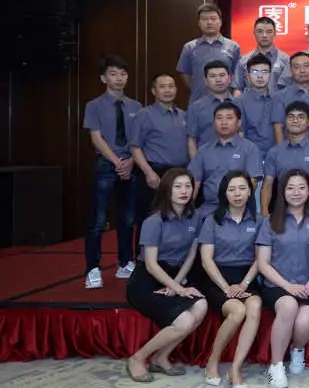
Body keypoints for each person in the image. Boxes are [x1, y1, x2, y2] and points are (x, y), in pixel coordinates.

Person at [123, 168, 207, 382]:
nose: (184, 191)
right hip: (146, 281)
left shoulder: (195, 218)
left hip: (174, 276)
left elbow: (191, 255)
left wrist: (176, 284)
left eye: (188, 186)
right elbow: (151, 265)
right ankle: (137, 358)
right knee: (185, 321)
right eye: (177, 186)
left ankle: (161, 357)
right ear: (167, 190)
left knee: (201, 305)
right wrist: (178, 288)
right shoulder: (154, 221)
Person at [195, 171, 262, 388]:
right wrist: (226, 288)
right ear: (224, 193)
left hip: (246, 277)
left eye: (242, 188)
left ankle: (236, 367)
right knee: (237, 310)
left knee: (254, 305)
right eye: (232, 189)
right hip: (217, 277)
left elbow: (261, 259)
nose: (237, 194)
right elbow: (206, 259)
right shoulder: (212, 220)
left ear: (250, 192)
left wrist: (243, 285)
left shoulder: (259, 220)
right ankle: (213, 360)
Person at [256, 169, 309, 388]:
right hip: (277, 285)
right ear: (282, 192)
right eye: (290, 188)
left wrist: (308, 285)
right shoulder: (270, 222)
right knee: (288, 305)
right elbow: (263, 263)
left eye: (302, 187)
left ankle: (298, 349)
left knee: (305, 321)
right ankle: (275, 365)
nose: (296, 192)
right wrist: (288, 286)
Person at [84, 55, 142, 289]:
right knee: (98, 219)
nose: (119, 78)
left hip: (131, 164)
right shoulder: (94, 105)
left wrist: (130, 161)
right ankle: (92, 268)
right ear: (103, 78)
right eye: (113, 74)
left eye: (123, 74)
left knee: (128, 218)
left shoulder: (136, 107)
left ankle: (125, 262)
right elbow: (96, 138)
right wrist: (117, 161)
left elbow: (139, 138)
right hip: (106, 164)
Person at [131, 73, 188, 237]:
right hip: (155, 174)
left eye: (171, 86)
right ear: (153, 91)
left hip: (179, 174)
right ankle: (144, 254)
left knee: (177, 219)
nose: (167, 90)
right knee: (149, 220)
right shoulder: (144, 114)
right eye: (162, 87)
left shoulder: (184, 115)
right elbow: (135, 147)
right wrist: (148, 172)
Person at [187, 102, 263, 218]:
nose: (224, 122)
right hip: (208, 209)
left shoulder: (250, 149)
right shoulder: (204, 150)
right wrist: (187, 209)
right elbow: (194, 183)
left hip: (238, 209)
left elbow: (253, 183)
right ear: (213, 123)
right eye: (219, 118)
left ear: (239, 123)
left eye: (229, 118)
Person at [260, 101, 309, 216]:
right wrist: (264, 214)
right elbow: (267, 185)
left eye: (300, 117)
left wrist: (307, 213)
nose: (295, 120)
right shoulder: (274, 152)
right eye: (291, 117)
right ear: (285, 121)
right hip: (280, 211)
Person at [176, 3, 240, 104]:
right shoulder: (189, 47)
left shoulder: (233, 47)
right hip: (198, 101)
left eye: (213, 19)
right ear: (199, 23)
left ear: (220, 22)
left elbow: (238, 75)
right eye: (204, 19)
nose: (209, 22)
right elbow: (185, 73)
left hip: (225, 104)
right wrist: (198, 87)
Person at [186, 60, 237, 156]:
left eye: (222, 75)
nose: (218, 80)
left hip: (235, 160)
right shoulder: (196, 107)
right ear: (206, 81)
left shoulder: (239, 104)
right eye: (213, 76)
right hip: (206, 161)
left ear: (230, 78)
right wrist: (196, 164)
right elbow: (191, 140)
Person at [234, 54, 276, 160]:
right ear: (247, 76)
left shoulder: (279, 99)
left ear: (270, 75)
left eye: (265, 72)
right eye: (255, 72)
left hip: (277, 158)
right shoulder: (239, 102)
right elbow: (240, 135)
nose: (260, 76)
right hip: (252, 158)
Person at [271, 52, 309, 145]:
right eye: (297, 67)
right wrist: (281, 150)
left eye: (306, 66)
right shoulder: (280, 96)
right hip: (292, 148)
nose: (302, 70)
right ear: (291, 71)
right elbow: (278, 128)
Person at [235, 16, 288, 92]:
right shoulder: (244, 61)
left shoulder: (285, 60)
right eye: (260, 31)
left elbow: (290, 89)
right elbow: (237, 89)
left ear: (275, 34)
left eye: (269, 32)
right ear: (254, 33)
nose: (264, 35)